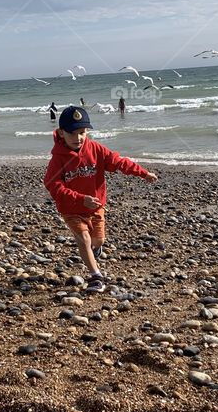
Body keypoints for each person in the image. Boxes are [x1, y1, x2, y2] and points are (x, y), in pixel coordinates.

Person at [44, 105, 158, 294]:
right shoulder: (58, 158)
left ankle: (93, 251)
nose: (78, 138)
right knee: (84, 239)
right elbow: (53, 185)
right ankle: (96, 276)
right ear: (61, 133)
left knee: (98, 240)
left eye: (82, 132)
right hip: (71, 208)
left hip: (96, 206)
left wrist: (143, 173)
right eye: (72, 133)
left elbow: (118, 162)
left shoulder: (95, 149)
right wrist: (80, 199)